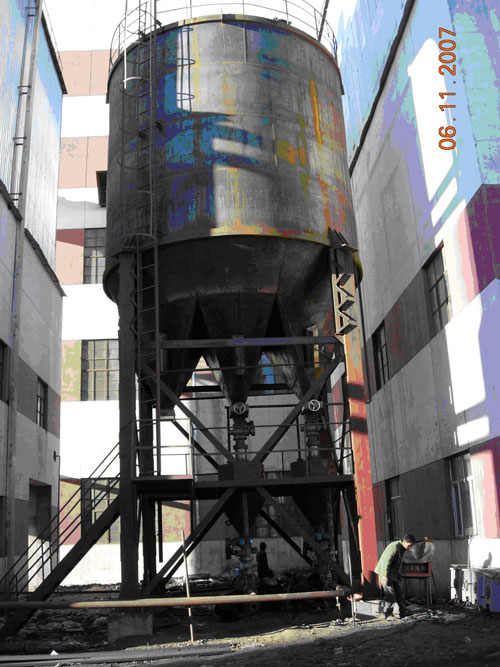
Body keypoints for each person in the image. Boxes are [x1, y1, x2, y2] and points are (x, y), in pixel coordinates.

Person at [375, 533, 416, 619]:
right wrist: (385, 577)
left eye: (411, 546)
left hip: (392, 574)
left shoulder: (402, 548)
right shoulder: (394, 547)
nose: (409, 547)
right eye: (409, 545)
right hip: (385, 573)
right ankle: (388, 614)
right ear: (404, 541)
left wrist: (398, 575)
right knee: (390, 595)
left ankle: (402, 611)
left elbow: (396, 563)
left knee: (399, 593)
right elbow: (386, 561)